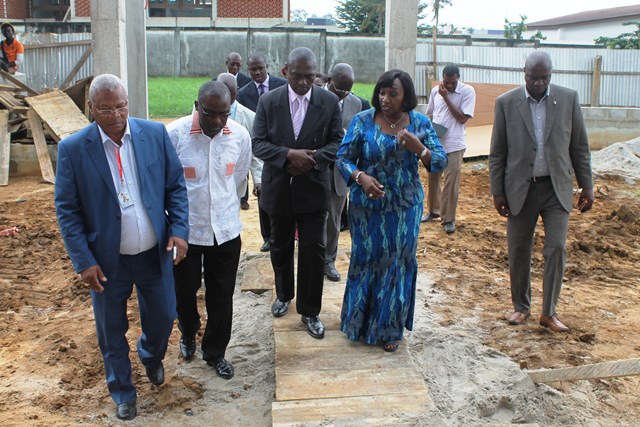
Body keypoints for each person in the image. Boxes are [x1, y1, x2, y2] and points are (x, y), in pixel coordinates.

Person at [54, 74, 189, 421]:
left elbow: (175, 187)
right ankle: (122, 391)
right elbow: (67, 211)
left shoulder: (153, 135)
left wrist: (179, 230)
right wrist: (83, 261)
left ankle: (150, 355)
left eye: (121, 106)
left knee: (162, 319)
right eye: (105, 109)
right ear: (91, 108)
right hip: (105, 261)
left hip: (153, 253)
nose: (115, 115)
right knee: (110, 330)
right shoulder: (73, 149)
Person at [336, 69, 447, 352]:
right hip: (366, 206)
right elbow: (343, 159)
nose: (385, 99)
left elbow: (439, 162)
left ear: (405, 96)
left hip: (404, 208)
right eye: (382, 93)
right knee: (365, 260)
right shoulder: (363, 120)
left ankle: (390, 329)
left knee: (397, 264)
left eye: (393, 94)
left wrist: (419, 148)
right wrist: (361, 177)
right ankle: (358, 323)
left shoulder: (419, 123)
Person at [489, 51, 594, 333]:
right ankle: (521, 307)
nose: (538, 83)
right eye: (533, 77)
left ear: (551, 74)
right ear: (524, 73)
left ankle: (549, 313)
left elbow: (579, 147)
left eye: (544, 78)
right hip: (519, 190)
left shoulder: (568, 99)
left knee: (556, 248)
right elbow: (498, 152)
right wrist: (497, 191)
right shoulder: (506, 103)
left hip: (555, 189)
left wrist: (587, 184)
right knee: (519, 249)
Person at [252, 47, 343, 340]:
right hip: (279, 189)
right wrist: (288, 155)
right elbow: (258, 143)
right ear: (285, 72)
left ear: (315, 74)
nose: (303, 82)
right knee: (279, 247)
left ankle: (310, 310)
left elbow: (337, 142)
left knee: (313, 251)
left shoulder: (329, 102)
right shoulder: (269, 101)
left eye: (308, 76)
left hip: (314, 189)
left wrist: (311, 160)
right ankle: (283, 294)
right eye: (297, 76)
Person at [167, 80, 252, 380]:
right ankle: (188, 332)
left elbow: (239, 177)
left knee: (221, 295)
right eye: (211, 113)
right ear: (197, 106)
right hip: (185, 233)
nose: (217, 121)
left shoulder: (239, 136)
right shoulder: (174, 135)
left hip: (226, 232)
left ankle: (215, 352)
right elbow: (166, 184)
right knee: (184, 290)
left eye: (224, 114)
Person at [323, 63, 371, 282]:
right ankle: (310, 260)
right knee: (312, 218)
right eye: (339, 89)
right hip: (316, 167)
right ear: (330, 80)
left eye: (347, 90)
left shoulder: (357, 104)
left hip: (341, 171)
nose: (343, 94)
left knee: (334, 219)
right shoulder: (315, 98)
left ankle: (328, 261)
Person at [217, 72, 271, 253]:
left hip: (236, 173)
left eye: (230, 94)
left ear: (236, 93)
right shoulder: (202, 108)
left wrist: (258, 180)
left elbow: (255, 152)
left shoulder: (248, 116)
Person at [422, 64, 476, 234]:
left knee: (451, 182)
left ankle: (448, 219)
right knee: (433, 177)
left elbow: (462, 118)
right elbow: (431, 114)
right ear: (443, 78)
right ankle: (433, 211)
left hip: (455, 144)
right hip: (436, 143)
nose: (449, 85)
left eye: (452, 82)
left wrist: (446, 98)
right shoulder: (435, 91)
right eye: (446, 81)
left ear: (458, 78)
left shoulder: (467, 92)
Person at [236, 52, 287, 211]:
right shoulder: (243, 93)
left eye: (260, 68)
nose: (257, 73)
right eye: (253, 70)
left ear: (267, 67)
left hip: (281, 140)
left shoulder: (283, 86)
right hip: (257, 140)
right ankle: (247, 198)